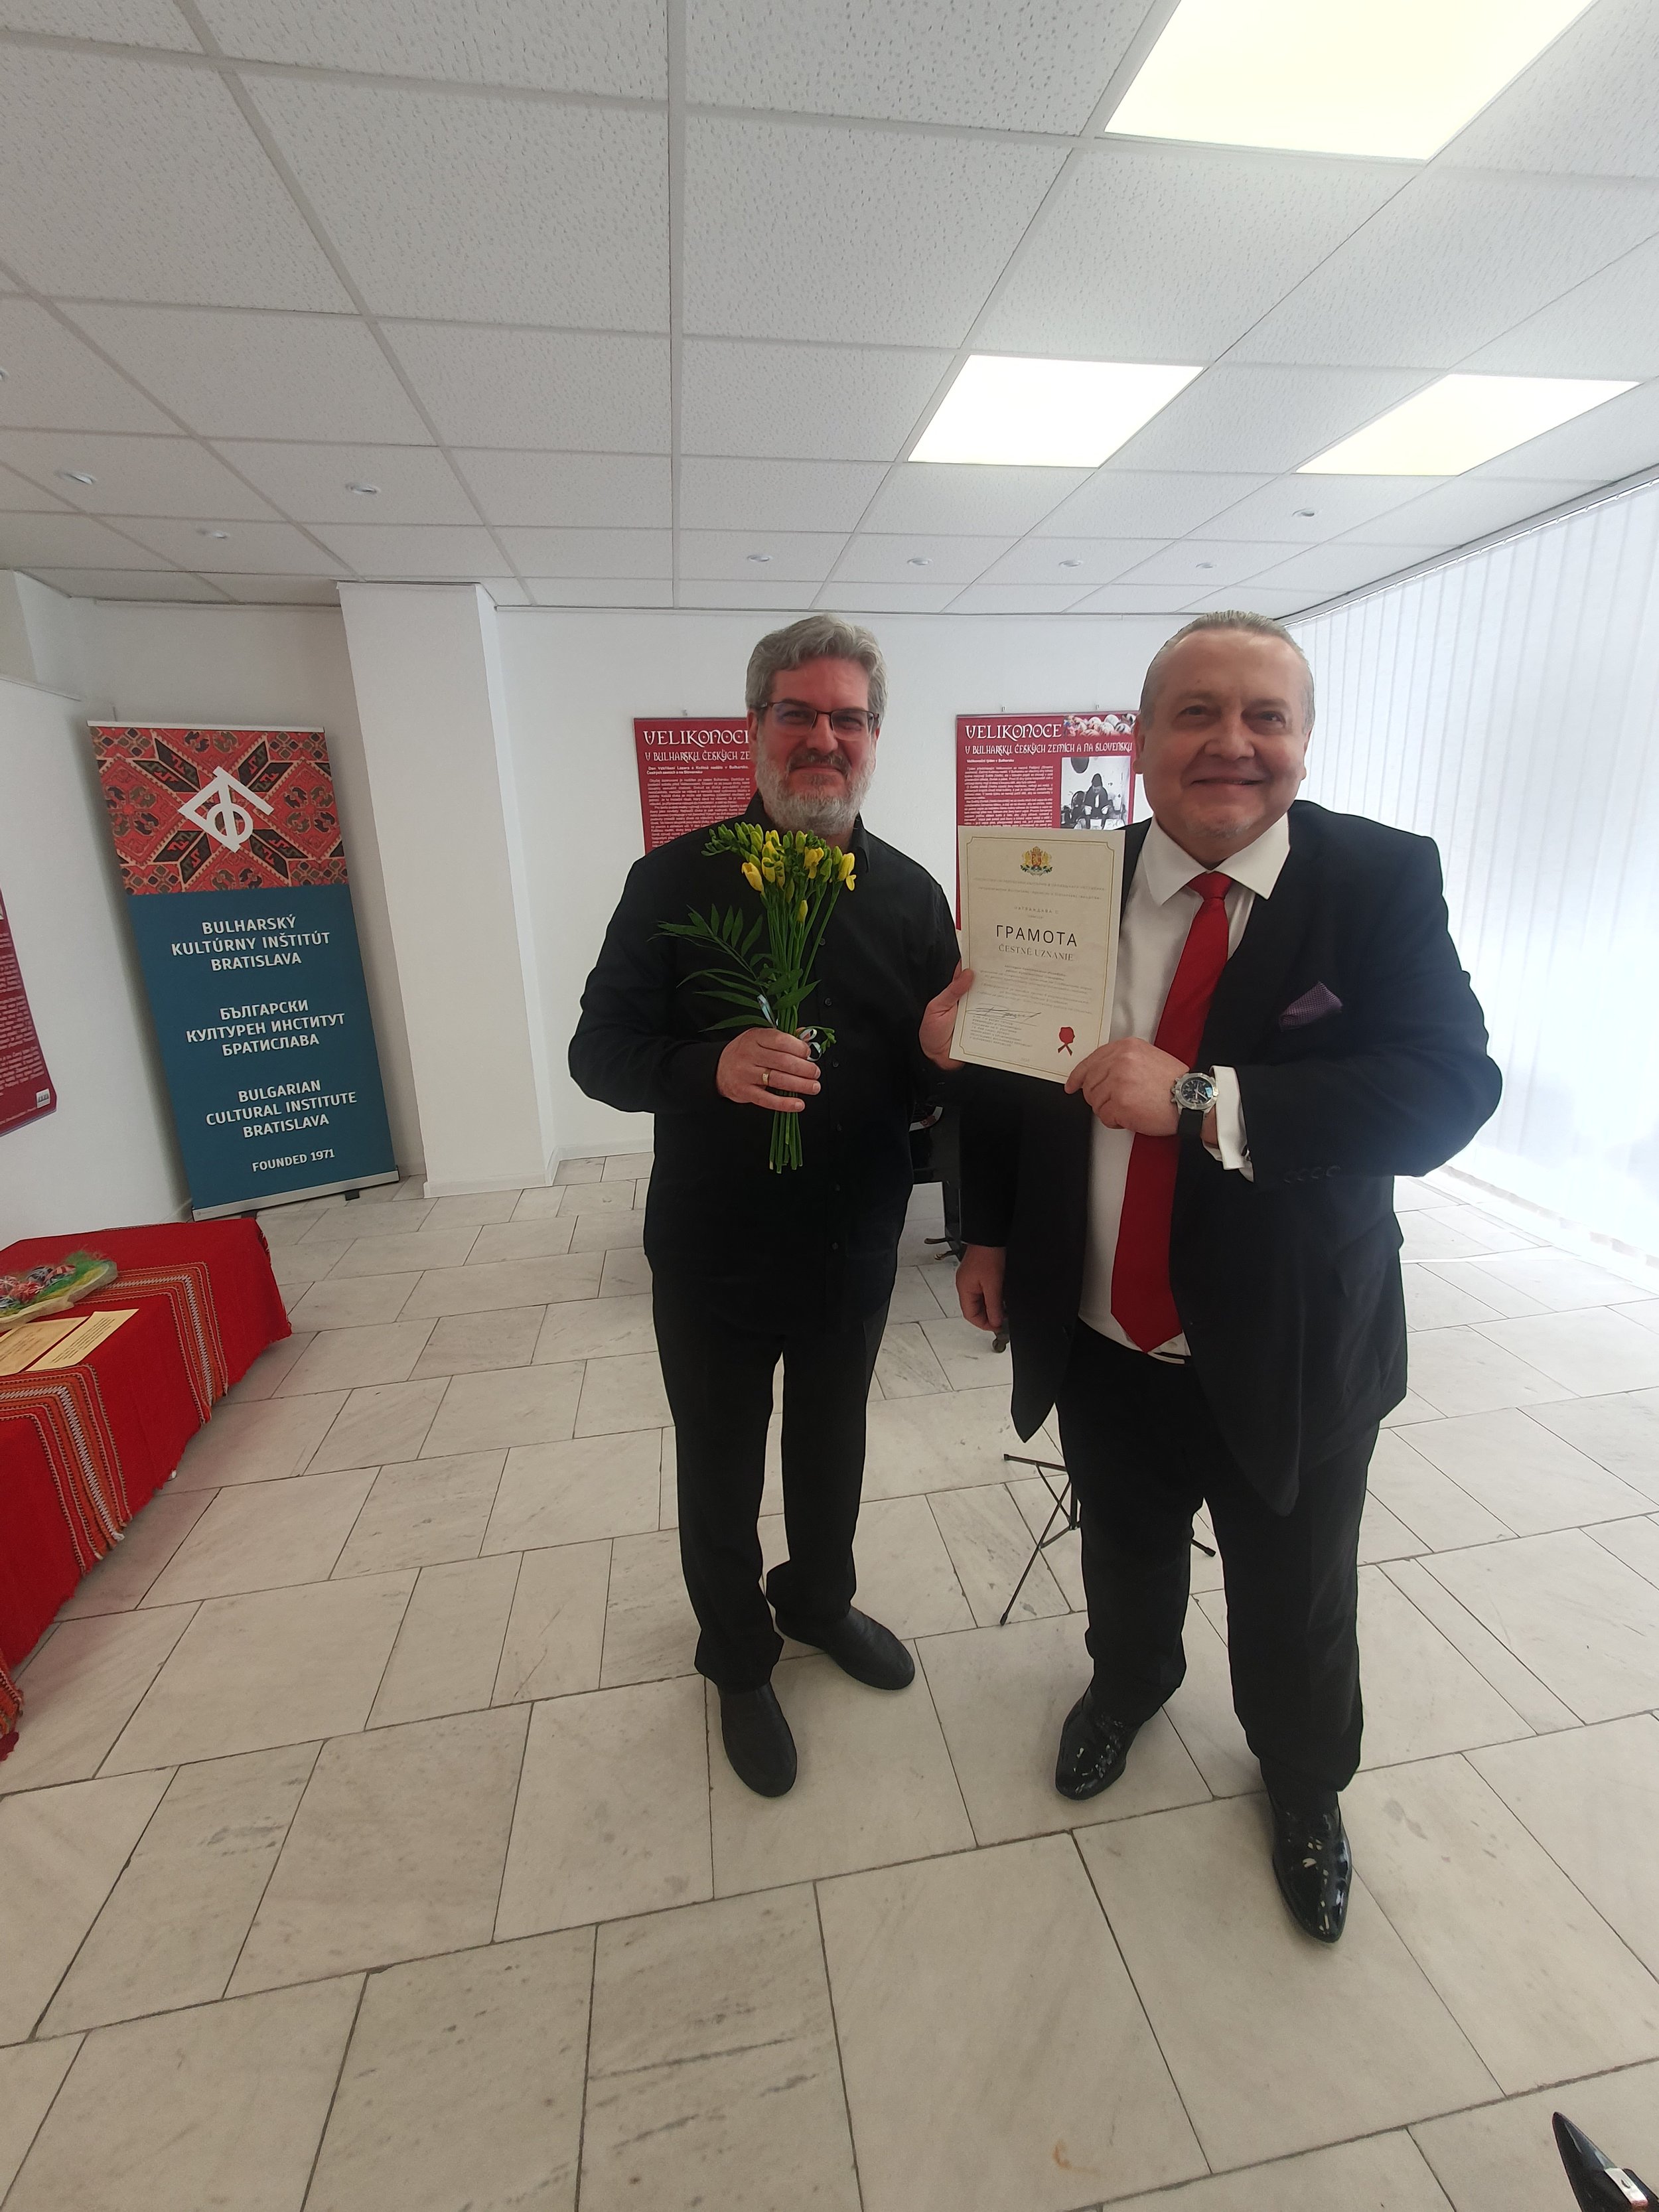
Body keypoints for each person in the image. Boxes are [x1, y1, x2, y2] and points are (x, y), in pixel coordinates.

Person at [947, 611, 1500, 1942]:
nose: (1231, 742)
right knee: (1123, 1545)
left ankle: (1303, 1779)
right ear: (1139, 740)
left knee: (1295, 1587)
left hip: (1290, 1336)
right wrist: (988, 1231)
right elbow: (1005, 1077)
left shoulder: (1378, 878)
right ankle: (1128, 1683)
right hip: (1102, 1325)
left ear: (1305, 739)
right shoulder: (1057, 880)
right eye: (1195, 711)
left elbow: (1446, 1087)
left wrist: (1204, 1098)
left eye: (1265, 715)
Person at [570, 615, 969, 1799]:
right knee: (721, 1462)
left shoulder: (912, 895)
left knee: (833, 1443)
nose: (823, 739)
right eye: (797, 713)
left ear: (875, 738)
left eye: (849, 718)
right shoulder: (674, 879)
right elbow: (599, 1052)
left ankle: (820, 1600)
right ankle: (737, 1654)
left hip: (855, 1239)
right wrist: (711, 1065)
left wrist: (946, 1059)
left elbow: (932, 1071)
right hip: (716, 1247)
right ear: (755, 728)